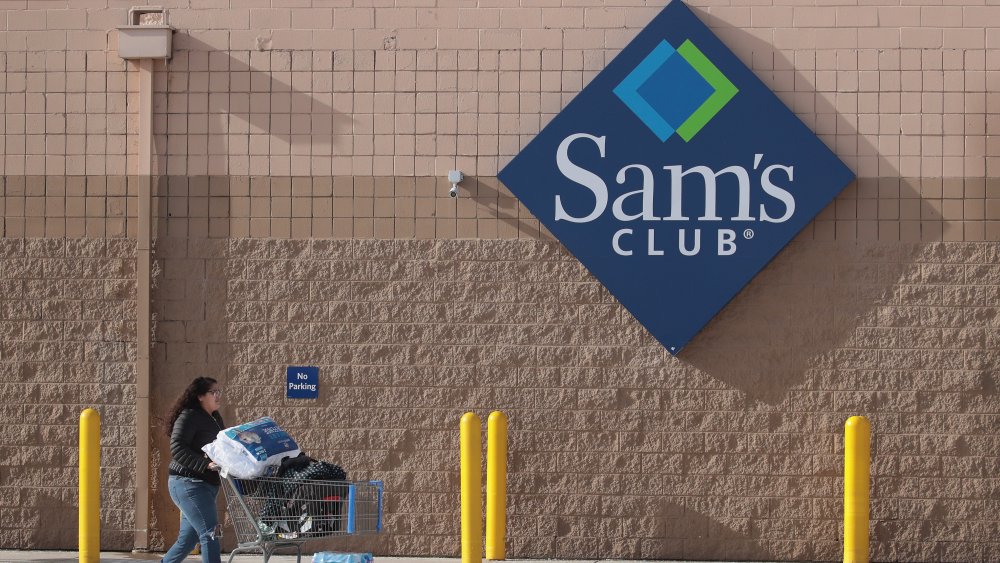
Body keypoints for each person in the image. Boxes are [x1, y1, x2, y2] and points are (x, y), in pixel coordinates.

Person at [162, 377, 225, 563]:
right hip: (187, 484)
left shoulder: (215, 418)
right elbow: (178, 448)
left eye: (219, 391)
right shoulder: (189, 416)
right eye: (214, 392)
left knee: (188, 541)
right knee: (211, 533)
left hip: (207, 485)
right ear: (200, 396)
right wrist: (205, 464)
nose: (218, 396)